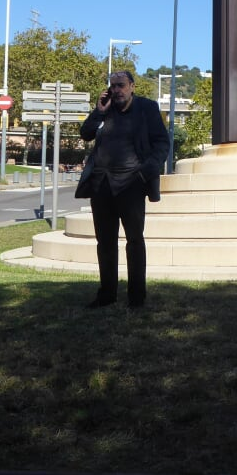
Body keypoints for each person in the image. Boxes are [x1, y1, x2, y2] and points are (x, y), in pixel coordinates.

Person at [79, 70, 170, 309]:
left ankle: (136, 297)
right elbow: (85, 134)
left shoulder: (146, 108)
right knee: (105, 242)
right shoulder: (106, 109)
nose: (117, 90)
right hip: (102, 184)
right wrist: (99, 111)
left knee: (134, 241)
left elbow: (162, 143)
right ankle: (107, 294)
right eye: (113, 86)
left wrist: (145, 172)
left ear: (132, 86)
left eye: (121, 85)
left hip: (132, 184)